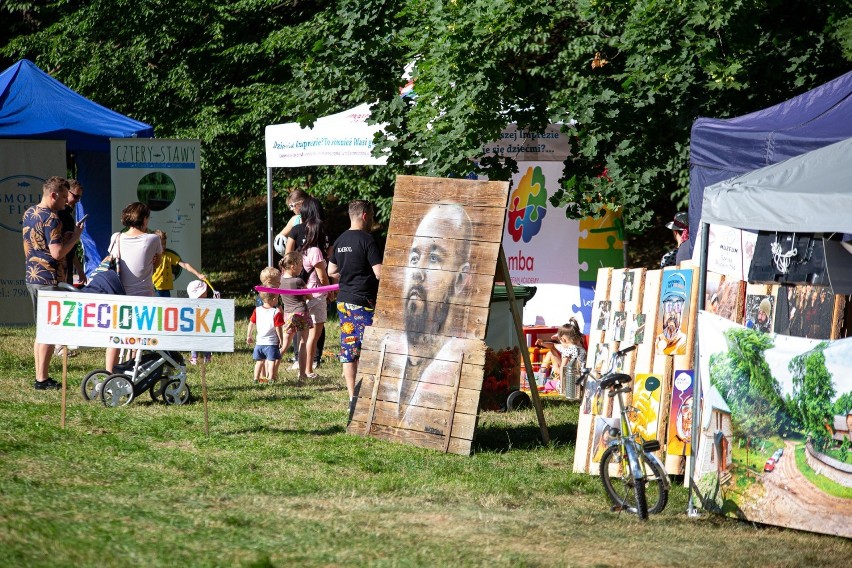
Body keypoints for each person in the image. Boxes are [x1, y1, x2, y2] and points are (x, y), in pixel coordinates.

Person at [391, 203, 473, 417]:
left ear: (460, 279)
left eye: (434, 259)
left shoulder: (459, 363)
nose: (418, 272)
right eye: (415, 258)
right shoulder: (386, 351)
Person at [22, 176, 84, 390]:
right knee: (48, 330)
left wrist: (64, 237)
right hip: (49, 278)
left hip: (33, 275)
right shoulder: (52, 218)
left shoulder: (30, 213)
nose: (66, 201)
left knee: (41, 330)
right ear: (53, 195)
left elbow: (40, 244)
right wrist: (75, 237)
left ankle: (40, 375)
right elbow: (57, 253)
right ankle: (42, 379)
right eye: (64, 197)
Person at [327, 200, 383, 405]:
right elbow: (379, 273)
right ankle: (370, 393)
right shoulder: (367, 240)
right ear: (365, 216)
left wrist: (349, 273)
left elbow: (331, 271)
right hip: (363, 303)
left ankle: (353, 397)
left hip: (344, 302)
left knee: (349, 348)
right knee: (371, 348)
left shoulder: (340, 240)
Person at [104, 202, 162, 372]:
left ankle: (109, 373)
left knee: (115, 337)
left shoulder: (116, 238)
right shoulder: (153, 239)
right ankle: (132, 369)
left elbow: (112, 259)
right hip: (144, 296)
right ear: (144, 219)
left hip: (120, 295)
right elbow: (156, 263)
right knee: (138, 338)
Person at [285, 196, 329, 369]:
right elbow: (326, 257)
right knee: (316, 325)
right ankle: (313, 360)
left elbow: (287, 256)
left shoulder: (296, 230)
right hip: (317, 285)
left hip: (297, 283)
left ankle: (299, 359)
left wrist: (287, 279)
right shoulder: (321, 230)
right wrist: (329, 288)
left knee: (299, 323)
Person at [277, 252, 312, 380]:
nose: (302, 268)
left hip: (288, 315)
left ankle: (272, 372)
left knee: (285, 345)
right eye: (301, 266)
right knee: (303, 342)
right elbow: (310, 296)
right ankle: (302, 375)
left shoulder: (280, 281)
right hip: (301, 312)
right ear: (293, 266)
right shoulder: (298, 281)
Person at [535, 318, 587, 392]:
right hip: (582, 383)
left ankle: (540, 380)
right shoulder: (581, 349)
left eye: (560, 340)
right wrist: (543, 343)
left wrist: (562, 386)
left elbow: (563, 368)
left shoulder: (568, 350)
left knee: (548, 384)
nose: (560, 343)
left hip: (571, 385)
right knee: (552, 352)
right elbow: (553, 345)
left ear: (563, 339)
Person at [152, 230, 206, 297]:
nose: (163, 246)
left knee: (166, 306)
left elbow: (185, 265)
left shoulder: (169, 256)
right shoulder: (152, 256)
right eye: (161, 244)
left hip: (166, 289)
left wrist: (198, 274)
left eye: (164, 243)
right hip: (155, 288)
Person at [246, 291, 285, 384]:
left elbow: (251, 323)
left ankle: (256, 378)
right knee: (271, 361)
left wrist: (249, 335)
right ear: (274, 299)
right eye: (277, 298)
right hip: (271, 344)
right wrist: (281, 339)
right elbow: (278, 328)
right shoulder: (276, 312)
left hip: (259, 343)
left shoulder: (257, 310)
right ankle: (271, 379)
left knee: (259, 362)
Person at [655, 284, 688, 356]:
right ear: (663, 309)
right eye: (669, 306)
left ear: (681, 311)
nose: (673, 313)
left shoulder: (685, 343)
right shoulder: (655, 342)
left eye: (678, 306)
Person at [187, 279, 214, 365]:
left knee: (206, 341)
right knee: (195, 341)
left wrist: (217, 299)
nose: (206, 291)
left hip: (205, 326)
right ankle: (194, 357)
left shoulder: (206, 302)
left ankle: (207, 357)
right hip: (196, 326)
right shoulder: (192, 303)